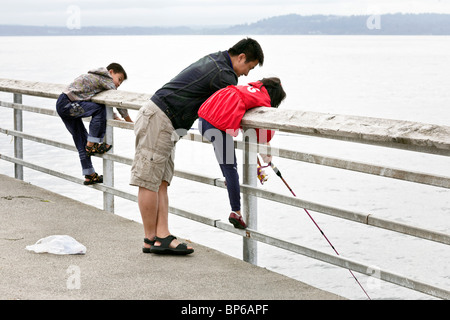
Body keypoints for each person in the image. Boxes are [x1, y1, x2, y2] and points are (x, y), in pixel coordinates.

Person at [130, 38, 264, 255]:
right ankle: (151, 238)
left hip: (165, 121)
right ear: (241, 57)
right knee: (148, 180)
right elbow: (230, 103)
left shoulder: (215, 60)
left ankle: (161, 236)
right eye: (249, 67)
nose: (247, 74)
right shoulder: (224, 73)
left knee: (161, 181)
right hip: (159, 118)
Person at [198, 77, 286, 229]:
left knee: (226, 166)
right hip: (217, 126)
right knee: (231, 168)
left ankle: (229, 181)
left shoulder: (247, 88)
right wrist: (266, 154)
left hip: (203, 119)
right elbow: (264, 133)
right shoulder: (264, 100)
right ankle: (236, 212)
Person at [56, 63, 131, 185]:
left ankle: (89, 174)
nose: (118, 84)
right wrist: (128, 120)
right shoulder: (106, 79)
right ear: (111, 72)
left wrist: (115, 117)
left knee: (80, 139)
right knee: (98, 109)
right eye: (119, 79)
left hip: (63, 104)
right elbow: (116, 101)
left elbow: (105, 103)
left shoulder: (96, 78)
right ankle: (92, 144)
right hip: (68, 105)